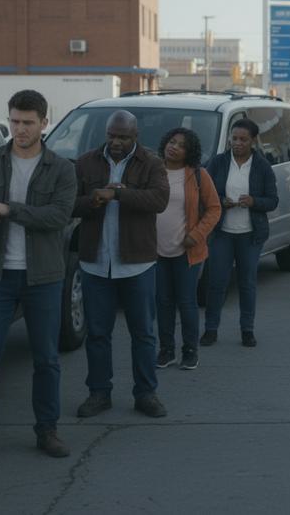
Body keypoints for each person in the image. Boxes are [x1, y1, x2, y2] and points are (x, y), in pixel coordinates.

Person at [0, 90, 77, 468]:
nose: (19, 129)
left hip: (44, 277)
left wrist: (10, 210)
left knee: (46, 359)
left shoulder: (61, 168)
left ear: (44, 122)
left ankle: (47, 431)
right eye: (14, 121)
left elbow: (58, 217)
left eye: (27, 122)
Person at [73, 110, 169, 420]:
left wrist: (118, 195)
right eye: (111, 136)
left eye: (122, 137)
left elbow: (159, 200)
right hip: (95, 263)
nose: (115, 142)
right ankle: (99, 393)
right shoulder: (86, 162)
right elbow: (68, 204)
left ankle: (146, 393)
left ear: (135, 137)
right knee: (98, 334)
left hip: (137, 264)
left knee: (143, 334)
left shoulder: (151, 162)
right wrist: (93, 201)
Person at [203, 119, 279, 348]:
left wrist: (254, 201)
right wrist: (220, 200)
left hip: (250, 235)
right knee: (216, 282)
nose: (237, 143)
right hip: (221, 233)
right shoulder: (217, 163)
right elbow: (204, 194)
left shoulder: (262, 166)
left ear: (253, 141)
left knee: (247, 283)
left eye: (243, 139)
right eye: (234, 138)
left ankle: (247, 330)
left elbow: (273, 200)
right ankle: (210, 329)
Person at [154, 128, 221, 370]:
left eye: (181, 145)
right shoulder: (154, 171)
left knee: (186, 302)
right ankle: (166, 350)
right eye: (172, 141)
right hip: (156, 251)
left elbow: (214, 209)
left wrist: (196, 234)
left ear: (189, 151)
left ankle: (190, 350)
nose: (174, 147)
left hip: (187, 252)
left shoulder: (198, 175)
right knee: (162, 302)